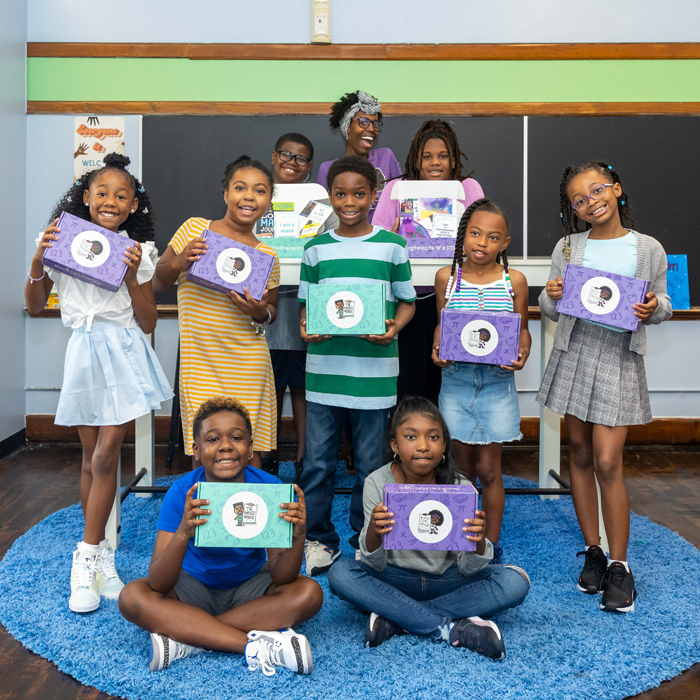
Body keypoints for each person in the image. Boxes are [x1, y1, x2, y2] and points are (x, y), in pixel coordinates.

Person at [25, 153, 172, 614]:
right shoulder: (61, 241)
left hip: (125, 350)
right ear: (85, 198)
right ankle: (104, 557)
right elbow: (33, 305)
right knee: (91, 458)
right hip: (83, 351)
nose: (111, 200)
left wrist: (131, 279)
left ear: (133, 206)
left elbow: (148, 319)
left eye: (121, 195)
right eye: (102, 193)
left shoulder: (138, 252)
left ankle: (84, 555)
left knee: (109, 453)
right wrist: (37, 260)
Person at [538, 161, 671, 613]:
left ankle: (620, 565)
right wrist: (550, 294)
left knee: (609, 461)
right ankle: (593, 551)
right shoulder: (569, 247)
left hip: (618, 358)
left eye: (597, 190)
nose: (591, 201)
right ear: (574, 210)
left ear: (615, 188)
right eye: (579, 199)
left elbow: (663, 302)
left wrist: (653, 306)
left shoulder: (647, 247)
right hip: (575, 354)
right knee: (578, 453)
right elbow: (549, 306)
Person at [118, 397, 323, 675]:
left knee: (309, 592)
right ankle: (249, 644)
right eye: (213, 439)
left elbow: (282, 577)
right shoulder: (183, 491)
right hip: (192, 586)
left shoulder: (269, 488)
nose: (226, 445)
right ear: (197, 450)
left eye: (236, 437)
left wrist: (298, 537)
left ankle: (190, 637)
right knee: (132, 596)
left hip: (249, 588)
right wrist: (183, 532)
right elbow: (158, 581)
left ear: (250, 448)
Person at [327, 396, 529, 658]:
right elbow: (374, 564)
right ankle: (447, 627)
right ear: (394, 445)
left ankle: (398, 617)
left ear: (444, 445)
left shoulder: (461, 488)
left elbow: (468, 567)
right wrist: (374, 533)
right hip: (394, 577)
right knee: (340, 573)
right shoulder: (378, 482)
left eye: (433, 437)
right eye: (411, 437)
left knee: (515, 582)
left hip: (446, 580)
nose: (423, 446)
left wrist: (478, 541)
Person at [298, 155, 416, 575]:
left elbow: (407, 302)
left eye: (359, 193)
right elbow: (306, 311)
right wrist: (307, 328)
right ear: (330, 195)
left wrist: (393, 328)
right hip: (325, 376)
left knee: (371, 465)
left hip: (376, 376)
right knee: (317, 462)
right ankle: (318, 539)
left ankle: (365, 539)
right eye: (340, 193)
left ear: (373, 196)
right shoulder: (315, 249)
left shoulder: (393, 245)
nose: (349, 201)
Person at [154, 156, 281, 469]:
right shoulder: (195, 230)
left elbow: (271, 312)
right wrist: (180, 261)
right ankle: (206, 517)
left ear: (268, 202)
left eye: (260, 190)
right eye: (240, 187)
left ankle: (253, 512)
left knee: (250, 450)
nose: (249, 196)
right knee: (205, 447)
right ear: (226, 193)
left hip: (249, 364)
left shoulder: (267, 255)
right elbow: (158, 281)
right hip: (200, 363)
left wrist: (258, 310)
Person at [432, 199, 531, 564]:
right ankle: (458, 538)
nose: (481, 242)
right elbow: (442, 327)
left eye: (492, 237)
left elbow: (522, 332)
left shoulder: (513, 281)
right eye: (475, 233)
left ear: (504, 243)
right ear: (463, 236)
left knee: (490, 470)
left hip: (496, 385)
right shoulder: (447, 278)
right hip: (456, 381)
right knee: (459, 470)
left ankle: (487, 545)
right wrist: (436, 347)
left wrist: (521, 355)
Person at [374, 119, 485, 405]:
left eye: (443, 156)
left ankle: (442, 446)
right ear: (416, 159)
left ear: (453, 159)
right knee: (409, 381)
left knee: (448, 380)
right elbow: (377, 242)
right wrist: (394, 236)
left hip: (455, 298)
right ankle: (404, 446)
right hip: (408, 299)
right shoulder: (397, 189)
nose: (435, 163)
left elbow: (485, 236)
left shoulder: (467, 188)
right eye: (427, 156)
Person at [258, 133, 338, 480]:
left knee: (305, 389)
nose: (292, 162)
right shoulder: (255, 195)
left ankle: (306, 458)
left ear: (309, 168)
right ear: (273, 157)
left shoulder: (318, 204)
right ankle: (268, 457)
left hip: (308, 308)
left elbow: (334, 246)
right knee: (268, 389)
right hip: (267, 309)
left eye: (301, 158)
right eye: (286, 155)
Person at [316, 91, 401, 223]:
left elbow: (401, 201)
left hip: (381, 238)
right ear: (348, 127)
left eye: (375, 124)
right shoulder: (328, 169)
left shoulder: (386, 158)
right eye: (364, 122)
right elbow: (322, 216)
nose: (372, 129)